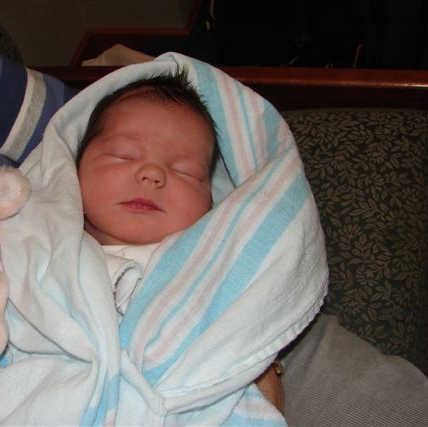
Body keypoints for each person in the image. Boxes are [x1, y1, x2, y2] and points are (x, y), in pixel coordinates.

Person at [75, 71, 285, 412]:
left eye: (186, 171)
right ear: (72, 168)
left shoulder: (215, 264)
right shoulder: (41, 247)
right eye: (125, 154)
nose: (152, 173)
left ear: (210, 203)